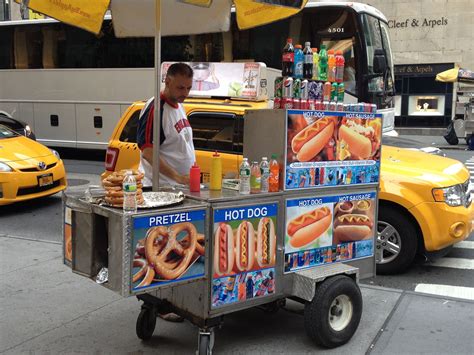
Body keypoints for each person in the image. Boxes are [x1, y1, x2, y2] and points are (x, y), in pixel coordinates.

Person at [137, 62, 195, 188]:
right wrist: (178, 177)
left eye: (188, 88)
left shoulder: (180, 106)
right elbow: (147, 152)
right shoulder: (156, 109)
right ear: (168, 82)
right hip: (159, 187)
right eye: (180, 88)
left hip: (178, 186)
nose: (185, 93)